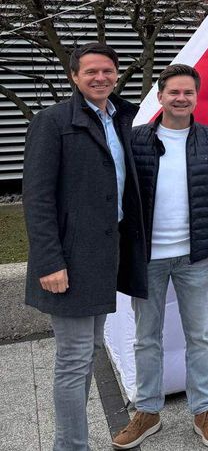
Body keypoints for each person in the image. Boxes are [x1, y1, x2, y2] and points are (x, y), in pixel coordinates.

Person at [23, 42, 148, 451]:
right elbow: (37, 197)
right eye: (91, 71)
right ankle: (70, 446)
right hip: (70, 261)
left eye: (108, 71)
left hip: (106, 254)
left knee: (89, 348)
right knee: (75, 360)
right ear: (74, 77)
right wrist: (49, 261)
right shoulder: (53, 121)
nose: (100, 78)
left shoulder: (123, 117)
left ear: (116, 74)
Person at [112, 63, 208, 450]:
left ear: (196, 97)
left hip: (195, 257)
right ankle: (148, 411)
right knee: (146, 338)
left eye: (188, 92)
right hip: (147, 258)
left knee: (199, 336)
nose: (181, 99)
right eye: (174, 92)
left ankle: (203, 409)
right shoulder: (133, 140)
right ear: (161, 95)